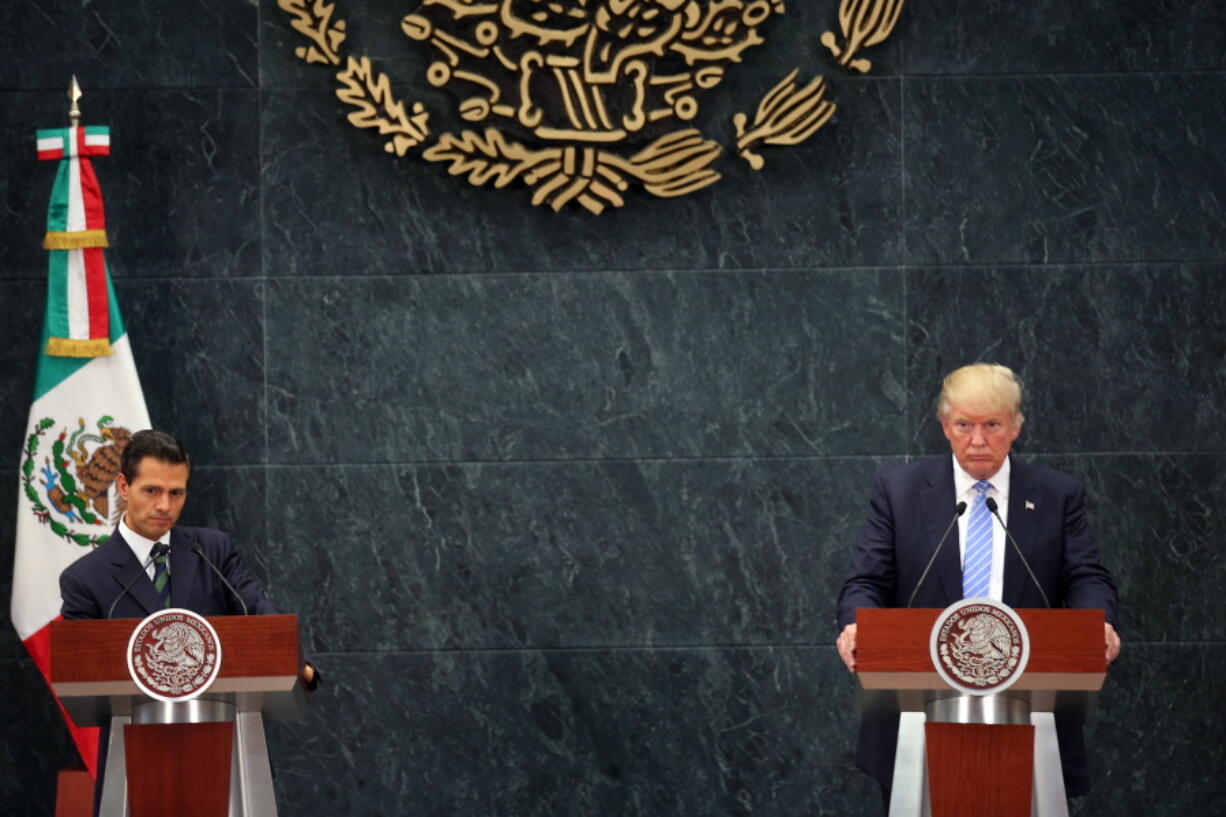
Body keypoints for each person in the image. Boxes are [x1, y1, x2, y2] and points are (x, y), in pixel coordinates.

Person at [835, 363, 1120, 810]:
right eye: (964, 425)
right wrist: (855, 625)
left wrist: (1096, 624)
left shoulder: (1057, 494)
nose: (978, 440)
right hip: (918, 707)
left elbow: (1086, 577)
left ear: (1016, 427)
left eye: (992, 425)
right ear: (945, 426)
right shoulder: (899, 491)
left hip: (1032, 704)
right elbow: (868, 580)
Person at [59, 428, 316, 680]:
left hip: (218, 715)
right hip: (132, 719)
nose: (164, 506)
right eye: (151, 491)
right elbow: (80, 670)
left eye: (176, 493)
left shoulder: (212, 550)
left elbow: (258, 610)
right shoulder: (85, 578)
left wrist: (297, 662)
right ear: (124, 487)